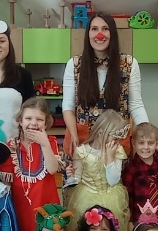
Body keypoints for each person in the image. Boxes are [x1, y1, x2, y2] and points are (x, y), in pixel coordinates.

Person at [62, 12, 149, 155]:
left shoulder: (129, 64)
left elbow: (136, 105)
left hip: (116, 142)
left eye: (105, 29)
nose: (99, 34)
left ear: (112, 33)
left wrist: (147, 137)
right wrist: (73, 135)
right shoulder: (74, 64)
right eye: (94, 29)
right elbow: (68, 106)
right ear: (88, 34)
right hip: (82, 141)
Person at [0, 98, 62, 231]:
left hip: (46, 207)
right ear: (20, 121)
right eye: (28, 118)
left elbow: (52, 169)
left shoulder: (51, 142)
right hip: (21, 208)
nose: (33, 123)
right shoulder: (11, 146)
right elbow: (6, 185)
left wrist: (44, 143)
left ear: (46, 123)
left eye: (39, 119)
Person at [64, 109, 131, 231]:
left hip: (111, 196)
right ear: (101, 134)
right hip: (86, 197)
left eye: (120, 139)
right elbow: (76, 180)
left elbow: (113, 181)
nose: (118, 142)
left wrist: (110, 158)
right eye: (115, 138)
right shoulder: (82, 151)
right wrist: (70, 175)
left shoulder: (117, 150)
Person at [122, 122, 158, 231]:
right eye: (141, 143)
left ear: (156, 143)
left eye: (150, 143)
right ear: (133, 143)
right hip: (138, 219)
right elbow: (128, 197)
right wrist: (130, 220)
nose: (145, 147)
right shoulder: (130, 168)